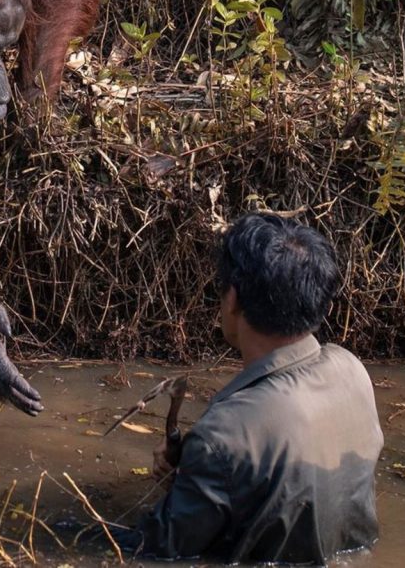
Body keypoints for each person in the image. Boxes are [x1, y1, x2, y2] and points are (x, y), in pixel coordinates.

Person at [122, 213, 384, 564]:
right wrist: (190, 478)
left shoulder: (225, 434)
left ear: (232, 298)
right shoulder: (352, 370)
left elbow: (157, 550)